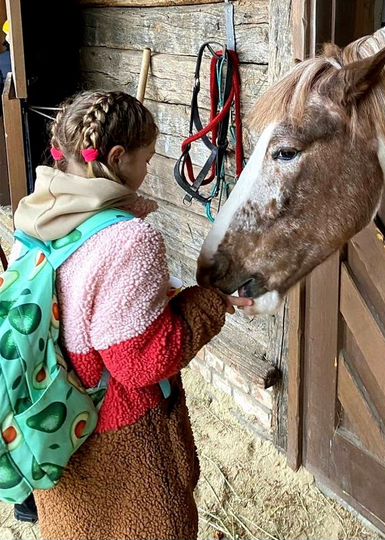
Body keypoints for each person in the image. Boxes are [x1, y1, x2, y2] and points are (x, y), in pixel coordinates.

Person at [12, 90, 251, 540]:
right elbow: (141, 361)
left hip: (60, 431)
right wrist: (208, 301)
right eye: (145, 160)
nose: (147, 171)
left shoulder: (37, 218)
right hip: (119, 447)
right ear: (118, 157)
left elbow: (85, 308)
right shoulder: (128, 240)